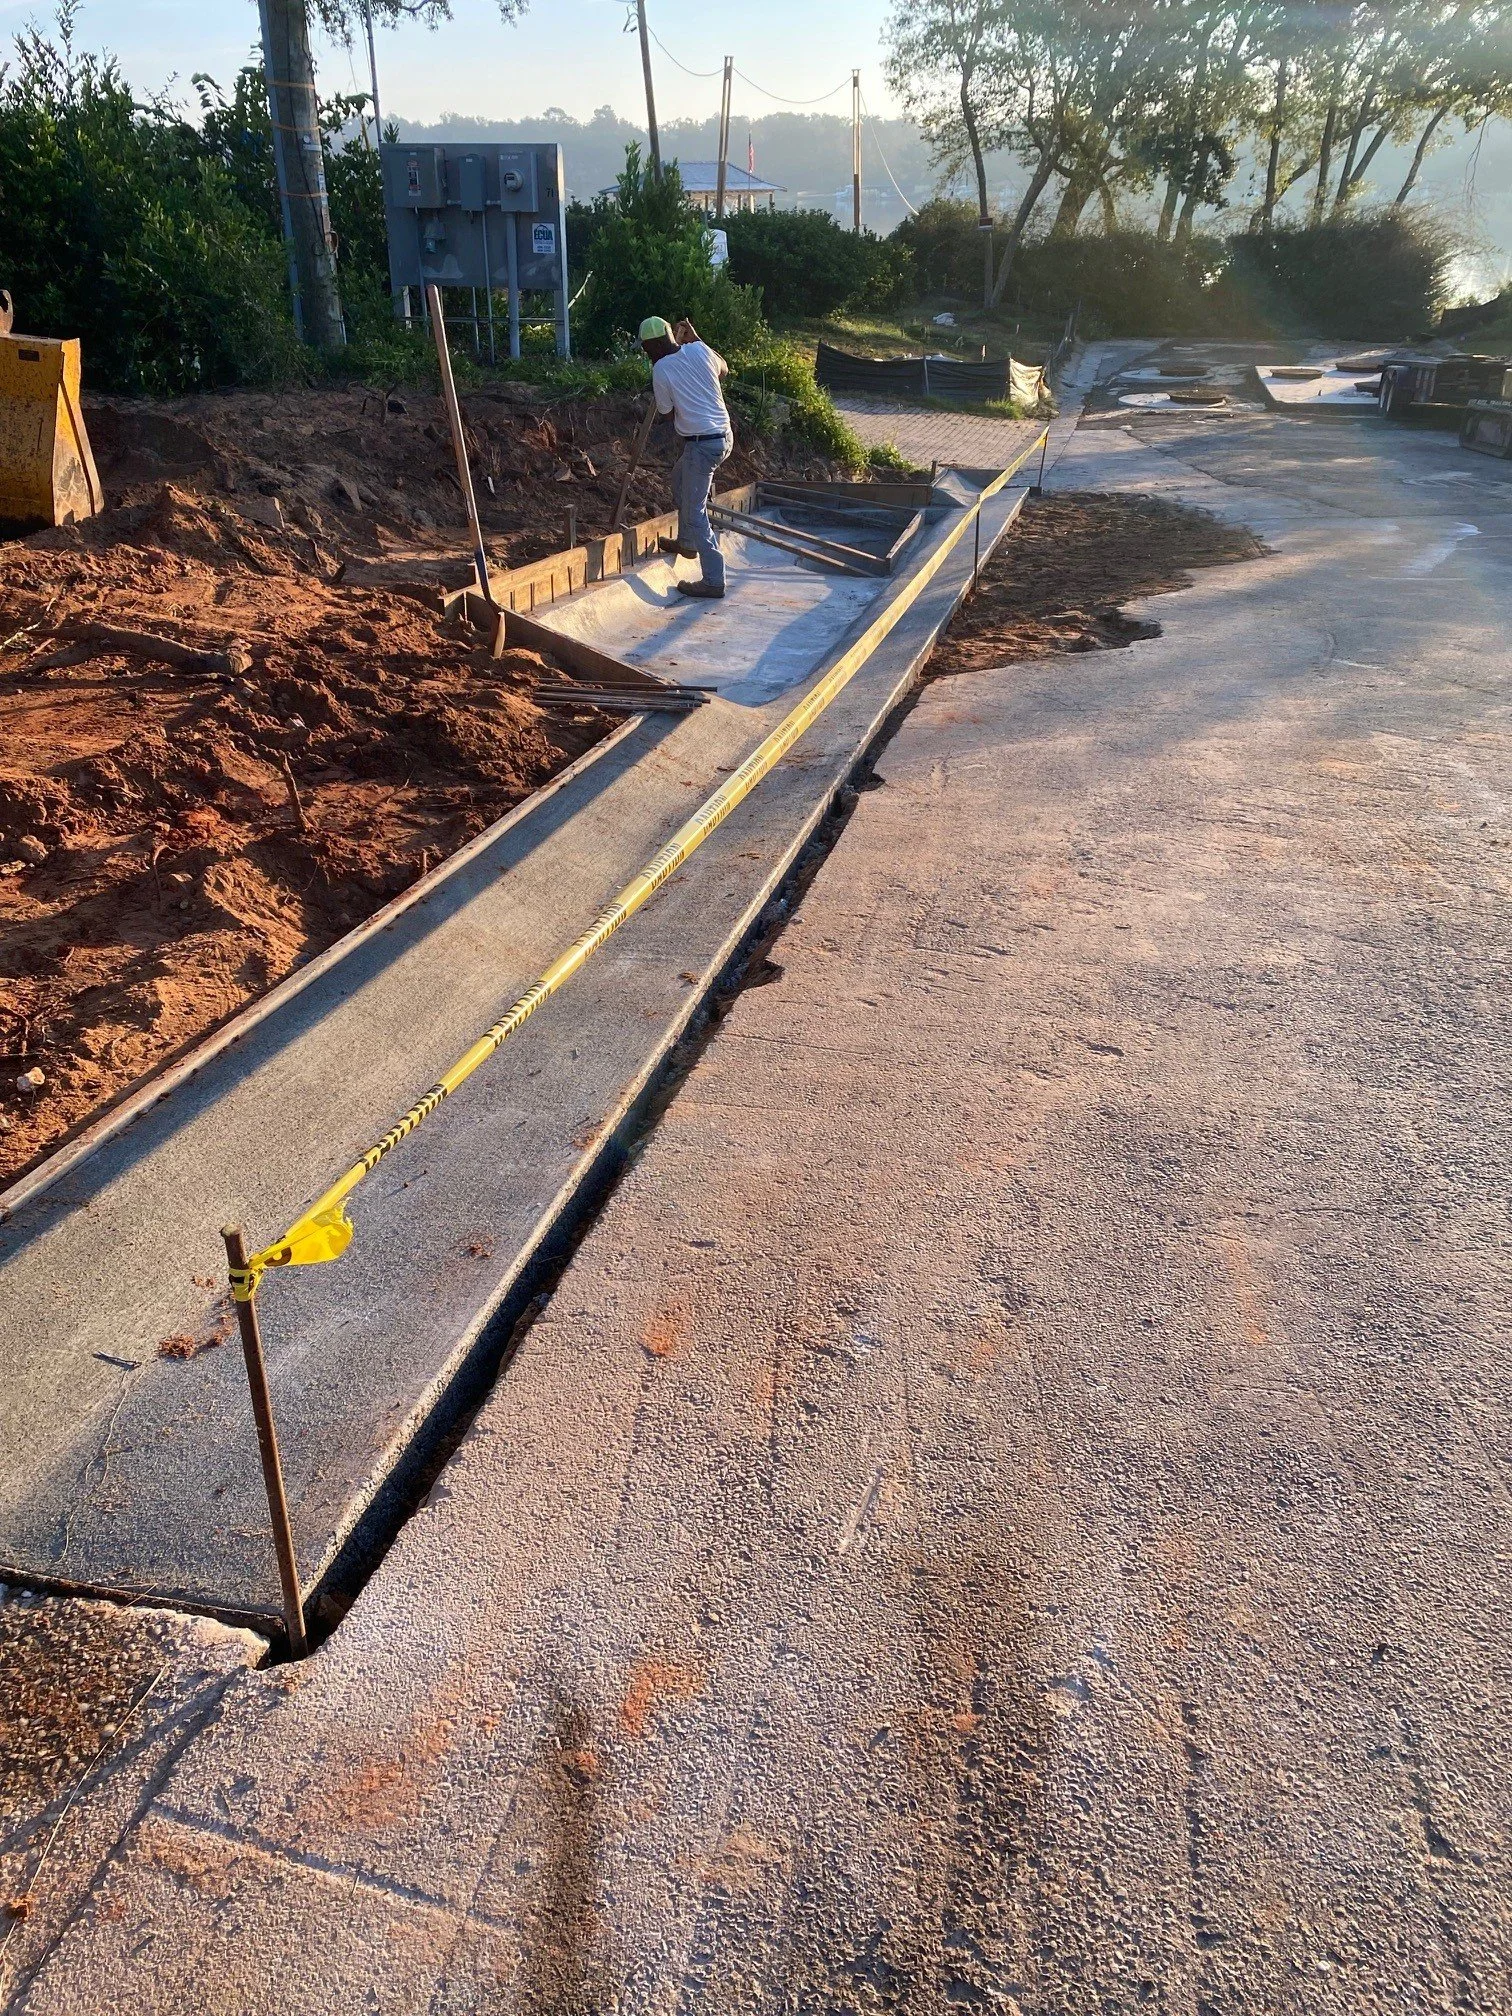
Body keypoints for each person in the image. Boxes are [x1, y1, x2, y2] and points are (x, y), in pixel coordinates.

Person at [639, 314, 733, 600]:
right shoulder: (700, 349)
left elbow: (667, 413)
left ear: (652, 347)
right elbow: (724, 369)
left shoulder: (662, 370)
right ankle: (688, 542)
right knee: (679, 480)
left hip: (702, 445)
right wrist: (697, 339)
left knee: (695, 510)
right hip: (723, 437)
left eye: (646, 350)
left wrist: (666, 373)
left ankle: (714, 580)